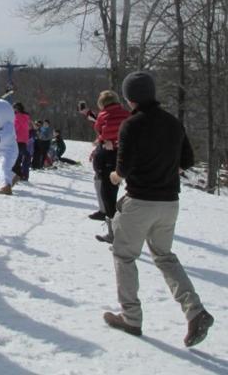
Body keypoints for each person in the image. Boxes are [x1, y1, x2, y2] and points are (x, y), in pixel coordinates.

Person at [104, 71, 214, 347]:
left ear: (131, 98)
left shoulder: (131, 125)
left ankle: (131, 318)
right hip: (170, 203)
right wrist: (165, 168)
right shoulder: (173, 123)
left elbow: (123, 168)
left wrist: (115, 177)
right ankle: (195, 310)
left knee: (124, 255)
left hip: (140, 202)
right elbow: (187, 159)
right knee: (165, 257)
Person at [91, 91, 130, 243]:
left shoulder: (103, 114)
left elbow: (98, 129)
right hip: (123, 154)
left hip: (107, 154)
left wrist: (103, 140)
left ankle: (113, 230)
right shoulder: (127, 114)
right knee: (122, 189)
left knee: (107, 193)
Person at [12, 102, 32, 182]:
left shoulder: (17, 116)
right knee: (20, 157)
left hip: (17, 140)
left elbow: (15, 128)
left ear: (17, 108)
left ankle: (18, 175)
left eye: (14, 108)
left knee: (16, 158)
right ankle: (23, 175)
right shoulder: (26, 116)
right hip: (24, 140)